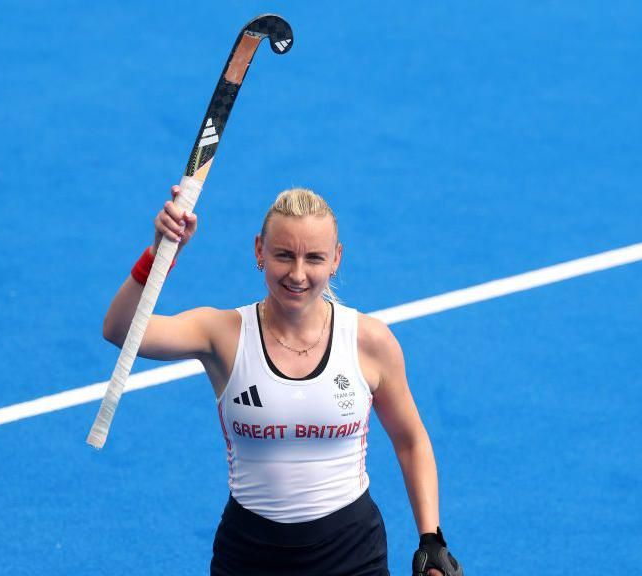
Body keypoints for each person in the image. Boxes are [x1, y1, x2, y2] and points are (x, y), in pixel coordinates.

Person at [103, 185, 463, 576]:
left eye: (314, 258)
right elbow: (121, 329)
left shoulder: (369, 341)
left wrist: (431, 540)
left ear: (336, 259)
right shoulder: (223, 334)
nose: (297, 274)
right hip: (250, 557)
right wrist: (160, 252)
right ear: (259, 250)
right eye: (283, 255)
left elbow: (411, 440)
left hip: (352, 556)